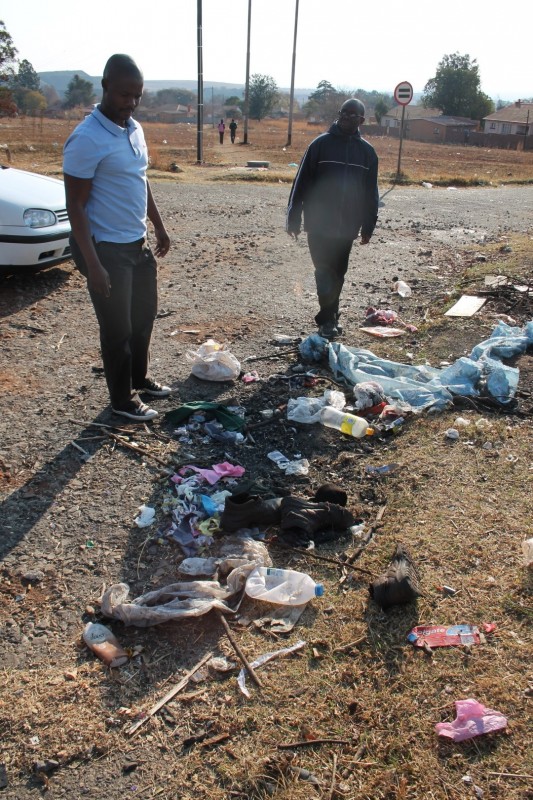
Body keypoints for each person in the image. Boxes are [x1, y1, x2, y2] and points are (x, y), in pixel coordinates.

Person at [63, 54, 171, 422]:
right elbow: (75, 206)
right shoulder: (86, 138)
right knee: (117, 330)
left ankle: (139, 378)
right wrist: (93, 264)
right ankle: (122, 401)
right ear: (105, 86)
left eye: (137, 95)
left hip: (136, 242)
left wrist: (158, 225)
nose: (131, 102)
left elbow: (140, 181)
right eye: (125, 94)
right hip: (105, 249)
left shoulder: (134, 128)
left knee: (144, 317)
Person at [286, 98, 379, 339]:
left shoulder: (367, 152)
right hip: (318, 224)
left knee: (338, 272)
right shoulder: (320, 145)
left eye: (353, 115)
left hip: (348, 226)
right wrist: (293, 218)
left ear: (362, 120)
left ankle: (332, 315)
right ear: (339, 114)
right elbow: (301, 182)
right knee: (324, 271)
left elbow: (371, 192)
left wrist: (369, 225)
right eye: (344, 113)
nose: (347, 118)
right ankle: (326, 320)